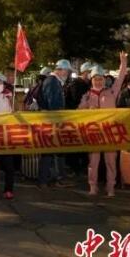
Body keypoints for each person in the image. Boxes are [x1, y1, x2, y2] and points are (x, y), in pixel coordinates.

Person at [78, 53, 128, 197]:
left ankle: (110, 187)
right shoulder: (87, 95)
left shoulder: (112, 91)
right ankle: (92, 186)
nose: (98, 82)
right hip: (94, 133)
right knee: (93, 162)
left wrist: (123, 62)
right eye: (96, 79)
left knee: (111, 161)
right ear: (91, 80)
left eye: (101, 79)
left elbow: (121, 77)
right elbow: (78, 112)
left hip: (110, 132)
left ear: (105, 80)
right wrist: (87, 109)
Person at [38, 59, 74, 189]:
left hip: (53, 121)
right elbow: (52, 104)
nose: (68, 74)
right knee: (49, 152)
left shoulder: (53, 82)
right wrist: (58, 120)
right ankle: (46, 180)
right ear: (62, 70)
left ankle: (50, 179)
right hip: (52, 122)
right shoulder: (52, 82)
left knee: (52, 152)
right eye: (68, 71)